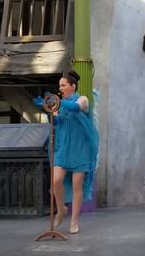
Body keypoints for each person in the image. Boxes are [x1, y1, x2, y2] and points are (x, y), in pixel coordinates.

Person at [34, 70, 98, 234]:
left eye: (63, 85)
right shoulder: (60, 103)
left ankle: (74, 221)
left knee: (78, 185)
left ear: (72, 86)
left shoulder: (83, 99)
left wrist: (57, 102)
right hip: (63, 147)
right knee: (55, 181)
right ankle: (61, 208)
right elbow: (59, 122)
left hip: (80, 148)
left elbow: (77, 108)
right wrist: (48, 110)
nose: (60, 88)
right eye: (59, 86)